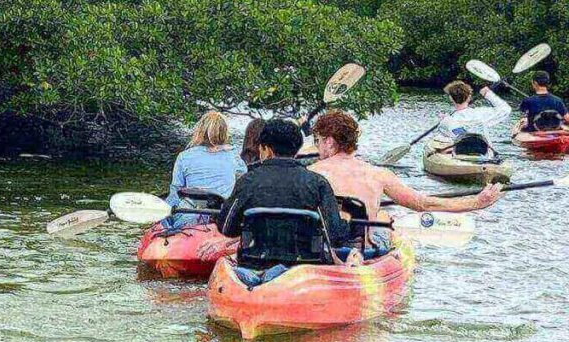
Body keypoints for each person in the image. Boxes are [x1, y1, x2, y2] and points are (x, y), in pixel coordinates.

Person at [310, 111, 502, 247]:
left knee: (380, 216)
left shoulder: (311, 172)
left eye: (317, 141)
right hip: (361, 247)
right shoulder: (379, 174)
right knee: (384, 217)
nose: (317, 147)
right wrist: (477, 202)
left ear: (329, 141)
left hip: (323, 248)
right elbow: (424, 204)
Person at [216, 119, 348, 264]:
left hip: (255, 262)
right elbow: (335, 235)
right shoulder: (318, 183)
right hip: (306, 264)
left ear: (267, 149)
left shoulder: (247, 181)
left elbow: (226, 228)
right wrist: (347, 223)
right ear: (297, 149)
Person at [166, 111, 247, 209]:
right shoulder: (233, 155)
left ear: (200, 131)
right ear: (225, 132)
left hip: (191, 214)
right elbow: (243, 180)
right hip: (220, 215)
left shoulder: (184, 157)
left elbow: (175, 193)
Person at [439, 80, 511, 143]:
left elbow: (448, 132)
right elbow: (506, 109)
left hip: (461, 151)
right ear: (469, 97)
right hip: (484, 151)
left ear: (451, 98)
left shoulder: (448, 121)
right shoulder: (481, 113)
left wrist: (444, 120)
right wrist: (488, 94)